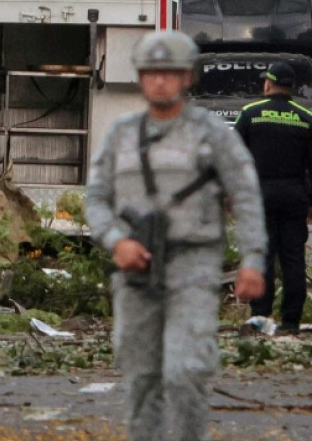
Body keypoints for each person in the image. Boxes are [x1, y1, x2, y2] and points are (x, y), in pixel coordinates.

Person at [84, 31, 267, 441]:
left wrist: (253, 260)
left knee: (186, 370)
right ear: (140, 78)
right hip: (136, 269)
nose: (160, 81)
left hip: (192, 264)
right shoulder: (121, 134)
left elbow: (246, 194)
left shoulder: (212, 134)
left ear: (187, 78)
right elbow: (95, 198)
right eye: (151, 72)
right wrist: (116, 240)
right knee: (141, 377)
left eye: (170, 72)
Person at [234, 61, 312, 335]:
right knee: (293, 259)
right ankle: (291, 321)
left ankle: (261, 316)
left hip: (259, 194)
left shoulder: (250, 113)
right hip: (294, 195)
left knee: (263, 256)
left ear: (268, 84)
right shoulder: (304, 117)